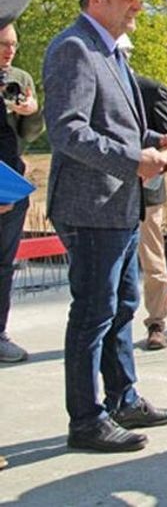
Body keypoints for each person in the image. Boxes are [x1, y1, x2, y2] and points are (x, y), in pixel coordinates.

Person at [43, 0, 167, 453]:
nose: (137, 7)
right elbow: (68, 131)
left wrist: (153, 140)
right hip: (91, 208)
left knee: (122, 305)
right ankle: (86, 420)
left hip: (117, 206)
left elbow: (114, 124)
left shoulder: (110, 51)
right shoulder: (74, 49)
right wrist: (132, 159)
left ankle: (123, 398)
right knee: (92, 313)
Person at [117, 35, 167, 350]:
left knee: (152, 257)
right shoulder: (100, 89)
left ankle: (157, 322)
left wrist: (153, 152)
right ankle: (114, 324)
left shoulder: (150, 89)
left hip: (147, 190)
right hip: (110, 189)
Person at [0, 22, 44, 363]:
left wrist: (31, 112)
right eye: (3, 44)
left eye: (14, 44)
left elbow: (29, 134)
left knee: (4, 264)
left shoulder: (19, 78)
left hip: (10, 184)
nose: (10, 51)